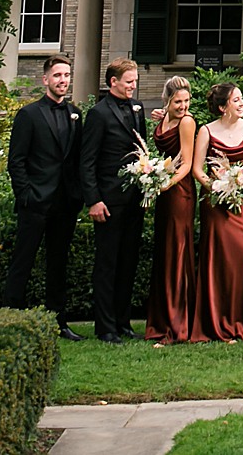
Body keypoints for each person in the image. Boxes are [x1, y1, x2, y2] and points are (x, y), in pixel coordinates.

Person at [4, 55, 85, 340]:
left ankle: (58, 321)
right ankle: (12, 319)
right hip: (36, 202)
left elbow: (75, 160)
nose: (63, 80)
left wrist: (77, 196)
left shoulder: (76, 114)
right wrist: (26, 195)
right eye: (57, 76)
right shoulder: (29, 115)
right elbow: (17, 161)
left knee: (58, 264)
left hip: (65, 204)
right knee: (22, 262)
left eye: (66, 75)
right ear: (45, 80)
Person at [78, 57, 150, 344]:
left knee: (128, 262)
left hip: (134, 198)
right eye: (129, 81)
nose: (133, 86)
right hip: (108, 200)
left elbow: (142, 149)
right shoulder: (98, 114)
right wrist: (93, 200)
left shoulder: (137, 108)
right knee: (107, 264)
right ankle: (105, 326)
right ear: (113, 83)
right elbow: (87, 161)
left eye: (135, 81)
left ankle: (123, 322)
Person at [192, 81, 243, 341]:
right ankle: (215, 320)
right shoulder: (206, 131)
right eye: (236, 100)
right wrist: (216, 187)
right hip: (215, 203)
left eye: (241, 99)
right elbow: (197, 169)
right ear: (223, 107)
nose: (242, 103)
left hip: (240, 201)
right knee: (219, 260)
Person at [142, 74, 199, 344]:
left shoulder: (187, 122)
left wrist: (165, 185)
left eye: (187, 100)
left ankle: (177, 325)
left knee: (177, 251)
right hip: (164, 188)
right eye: (178, 101)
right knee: (164, 251)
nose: (184, 106)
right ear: (167, 101)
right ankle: (161, 318)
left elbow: (186, 163)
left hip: (180, 192)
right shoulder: (164, 117)